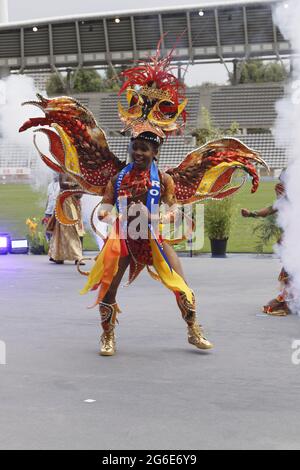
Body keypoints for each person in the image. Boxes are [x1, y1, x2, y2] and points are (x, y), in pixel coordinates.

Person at [20, 42, 265, 356]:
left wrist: (159, 218)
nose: (138, 152)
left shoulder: (164, 179)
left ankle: (193, 329)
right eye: (135, 147)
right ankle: (107, 336)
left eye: (144, 149)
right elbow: (106, 205)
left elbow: (174, 208)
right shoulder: (117, 176)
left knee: (180, 284)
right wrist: (107, 215)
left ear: (155, 152)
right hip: (122, 239)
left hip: (153, 238)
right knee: (108, 287)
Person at [241, 171, 291, 316]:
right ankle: (289, 300)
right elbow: (269, 210)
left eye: (283, 182)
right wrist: (251, 214)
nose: (279, 185)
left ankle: (287, 300)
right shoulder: (285, 200)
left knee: (290, 272)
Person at [48, 174, 85, 265]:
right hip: (66, 201)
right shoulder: (64, 169)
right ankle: (76, 256)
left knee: (76, 228)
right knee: (68, 227)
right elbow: (62, 184)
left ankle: (59, 255)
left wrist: (81, 186)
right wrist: (76, 185)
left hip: (75, 201)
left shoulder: (78, 169)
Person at [42, 173, 60, 244]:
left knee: (56, 227)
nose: (55, 176)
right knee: (47, 226)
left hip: (56, 210)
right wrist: (46, 209)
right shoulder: (49, 185)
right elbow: (48, 198)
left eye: (56, 175)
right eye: (54, 175)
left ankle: (56, 242)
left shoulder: (61, 185)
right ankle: (48, 241)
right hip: (49, 210)